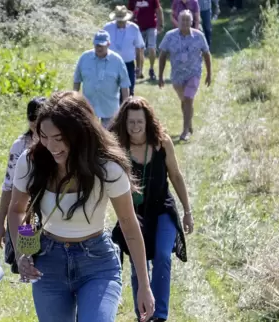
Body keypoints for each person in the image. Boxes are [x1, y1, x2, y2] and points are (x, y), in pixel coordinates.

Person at [7, 91, 155, 322]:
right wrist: (21, 253)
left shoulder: (108, 168)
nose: (50, 145)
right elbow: (18, 211)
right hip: (48, 262)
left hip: (96, 262)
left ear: (79, 134)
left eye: (59, 138)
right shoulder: (31, 161)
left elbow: (128, 224)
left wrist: (144, 285)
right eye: (44, 136)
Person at [109, 96, 193, 322]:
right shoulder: (118, 148)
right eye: (131, 122)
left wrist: (187, 211)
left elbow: (175, 175)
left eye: (139, 122)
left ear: (148, 122)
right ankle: (144, 315)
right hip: (134, 213)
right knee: (139, 264)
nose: (135, 127)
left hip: (162, 208)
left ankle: (160, 315)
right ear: (124, 123)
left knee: (163, 255)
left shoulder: (162, 143)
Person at [0, 96, 46, 273]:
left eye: (38, 118)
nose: (34, 123)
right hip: (27, 215)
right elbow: (8, 187)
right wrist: (0, 223)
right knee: (27, 256)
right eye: (31, 118)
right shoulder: (20, 146)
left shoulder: (55, 144)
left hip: (49, 212)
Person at [158, 9, 212, 141]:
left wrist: (209, 73)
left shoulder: (199, 36)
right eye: (183, 20)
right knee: (184, 101)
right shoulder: (170, 36)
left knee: (188, 99)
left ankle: (185, 130)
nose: (185, 22)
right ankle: (189, 123)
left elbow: (206, 54)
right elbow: (163, 55)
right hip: (177, 75)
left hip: (194, 73)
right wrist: (160, 76)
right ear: (178, 21)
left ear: (192, 22)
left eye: (188, 20)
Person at [73, 30, 131, 129]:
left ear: (108, 44)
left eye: (101, 45)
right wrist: (74, 100)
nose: (98, 48)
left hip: (110, 109)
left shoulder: (117, 61)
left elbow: (124, 85)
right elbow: (77, 80)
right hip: (89, 108)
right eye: (96, 45)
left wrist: (125, 108)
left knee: (108, 138)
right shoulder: (84, 58)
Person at [103, 5, 145, 98]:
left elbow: (139, 48)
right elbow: (102, 46)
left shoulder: (134, 28)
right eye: (119, 20)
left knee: (129, 92)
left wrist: (139, 67)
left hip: (128, 64)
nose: (121, 22)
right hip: (111, 64)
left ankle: (127, 111)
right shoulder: (107, 28)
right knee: (112, 92)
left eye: (122, 20)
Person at [128, 0, 164, 80]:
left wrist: (160, 24)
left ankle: (151, 69)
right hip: (138, 27)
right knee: (139, 49)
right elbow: (129, 13)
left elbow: (158, 10)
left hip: (151, 26)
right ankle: (140, 71)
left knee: (151, 48)